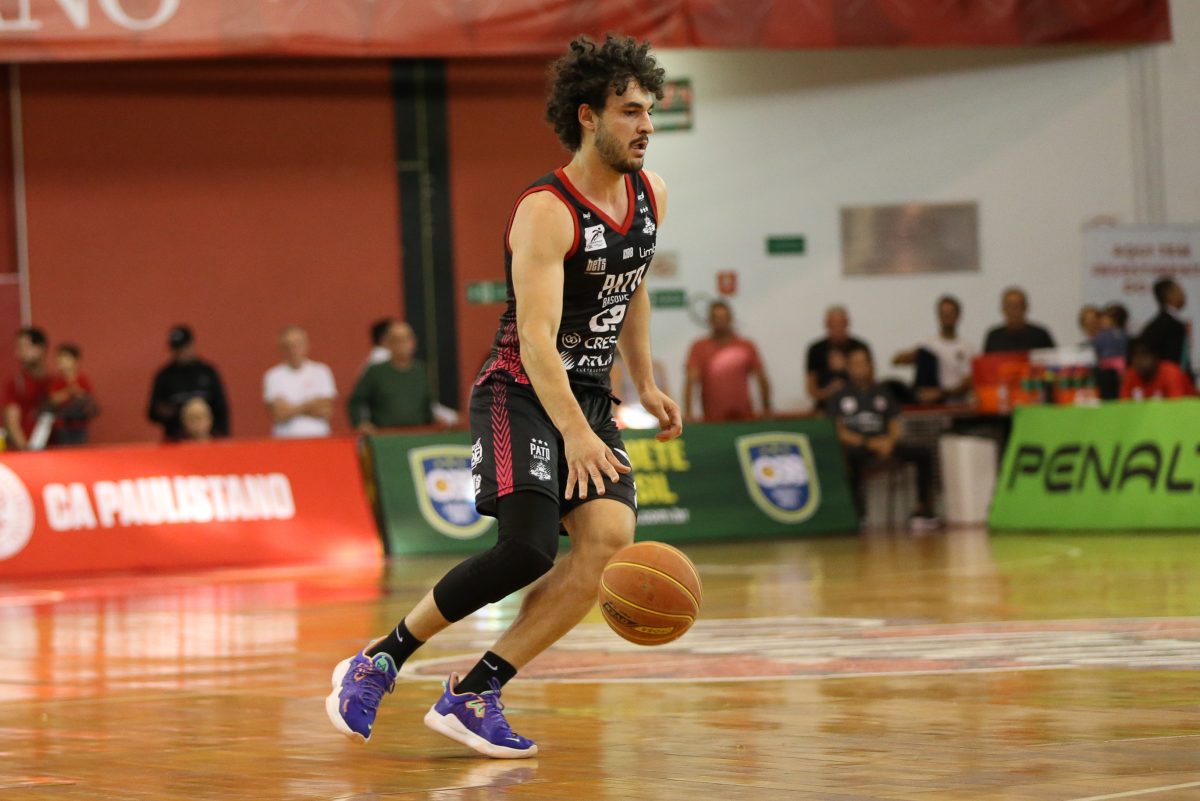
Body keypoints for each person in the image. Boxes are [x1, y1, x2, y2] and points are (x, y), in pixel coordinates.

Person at [326, 34, 680, 759]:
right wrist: (575, 433)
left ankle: (475, 690)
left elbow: (632, 287)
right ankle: (380, 660)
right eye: (630, 111)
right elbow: (539, 339)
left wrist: (645, 381)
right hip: (519, 389)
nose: (646, 125)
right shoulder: (546, 210)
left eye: (650, 111)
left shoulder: (652, 195)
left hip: (589, 395)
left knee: (608, 545)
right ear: (587, 116)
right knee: (526, 548)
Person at [829, 345, 939, 532]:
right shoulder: (840, 395)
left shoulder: (883, 392)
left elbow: (895, 425)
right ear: (848, 367)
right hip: (859, 445)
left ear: (870, 365)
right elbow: (840, 431)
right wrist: (868, 443)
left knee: (924, 453)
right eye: (855, 364)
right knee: (849, 457)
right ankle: (858, 514)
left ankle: (922, 511)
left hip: (885, 443)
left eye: (863, 363)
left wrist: (888, 442)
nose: (859, 368)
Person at [683, 300, 771, 422]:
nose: (720, 321)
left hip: (745, 418)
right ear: (709, 320)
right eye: (716, 317)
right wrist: (688, 413)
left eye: (723, 317)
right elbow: (690, 381)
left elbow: (761, 378)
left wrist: (767, 408)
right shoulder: (699, 347)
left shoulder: (746, 346)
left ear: (730, 319)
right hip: (713, 420)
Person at [146, 325, 230, 441]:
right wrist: (169, 412)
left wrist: (222, 436)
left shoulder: (207, 372)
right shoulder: (164, 376)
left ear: (191, 345)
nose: (180, 353)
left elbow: (222, 408)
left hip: (207, 438)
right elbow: (152, 412)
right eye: (177, 349)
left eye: (183, 348)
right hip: (176, 438)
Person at [347, 321, 433, 432]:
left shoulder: (420, 370)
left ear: (413, 342)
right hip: (385, 435)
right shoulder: (376, 371)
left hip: (417, 433)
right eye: (397, 340)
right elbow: (355, 402)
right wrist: (360, 423)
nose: (402, 344)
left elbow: (427, 405)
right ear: (388, 344)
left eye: (406, 339)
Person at [892, 295, 973, 404]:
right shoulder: (928, 344)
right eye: (943, 313)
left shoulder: (967, 348)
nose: (946, 316)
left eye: (950, 312)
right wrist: (917, 355)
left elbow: (968, 383)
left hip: (956, 405)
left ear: (958, 315)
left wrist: (941, 393)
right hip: (930, 405)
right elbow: (896, 360)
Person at [262, 326, 337, 438]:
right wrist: (311, 404)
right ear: (281, 348)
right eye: (288, 346)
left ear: (307, 345)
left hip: (318, 438)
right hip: (284, 440)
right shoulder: (273, 376)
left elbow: (326, 410)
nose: (293, 350)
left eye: (297, 344)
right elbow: (278, 414)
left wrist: (290, 408)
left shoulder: (321, 371)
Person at [806, 305, 870, 409]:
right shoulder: (816, 350)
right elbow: (811, 389)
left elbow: (870, 381)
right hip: (826, 407)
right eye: (833, 325)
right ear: (826, 325)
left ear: (847, 323)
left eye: (841, 324)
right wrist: (829, 391)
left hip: (859, 404)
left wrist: (847, 366)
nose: (837, 328)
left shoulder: (860, 347)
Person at [3, 327, 51, 451]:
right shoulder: (17, 383)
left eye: (24, 347)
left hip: (56, 452)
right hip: (26, 452)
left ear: (40, 348)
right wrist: (27, 452)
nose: (19, 353)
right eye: (19, 348)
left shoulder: (54, 382)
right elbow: (12, 422)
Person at [1140, 277, 1191, 381]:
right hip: (1171, 383)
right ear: (1169, 295)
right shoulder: (1171, 325)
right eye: (1179, 291)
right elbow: (1173, 361)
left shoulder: (1153, 325)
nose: (1184, 295)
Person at [47, 343, 99, 446]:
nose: (62, 362)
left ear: (76, 361)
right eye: (60, 359)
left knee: (80, 448)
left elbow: (88, 398)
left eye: (66, 359)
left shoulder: (82, 380)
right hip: (62, 424)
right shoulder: (57, 381)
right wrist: (68, 392)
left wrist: (78, 392)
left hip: (80, 424)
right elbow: (53, 399)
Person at [1119, 337, 1196, 400]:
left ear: (1156, 357)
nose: (1139, 361)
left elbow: (1177, 407)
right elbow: (1124, 407)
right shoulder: (1130, 375)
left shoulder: (1171, 373)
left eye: (1144, 355)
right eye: (1135, 356)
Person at [983, 287, 1055, 353]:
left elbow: (1054, 360)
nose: (1014, 311)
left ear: (1025, 307)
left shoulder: (1040, 336)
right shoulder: (994, 337)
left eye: (1017, 306)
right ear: (1003, 309)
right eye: (1010, 306)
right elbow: (987, 361)